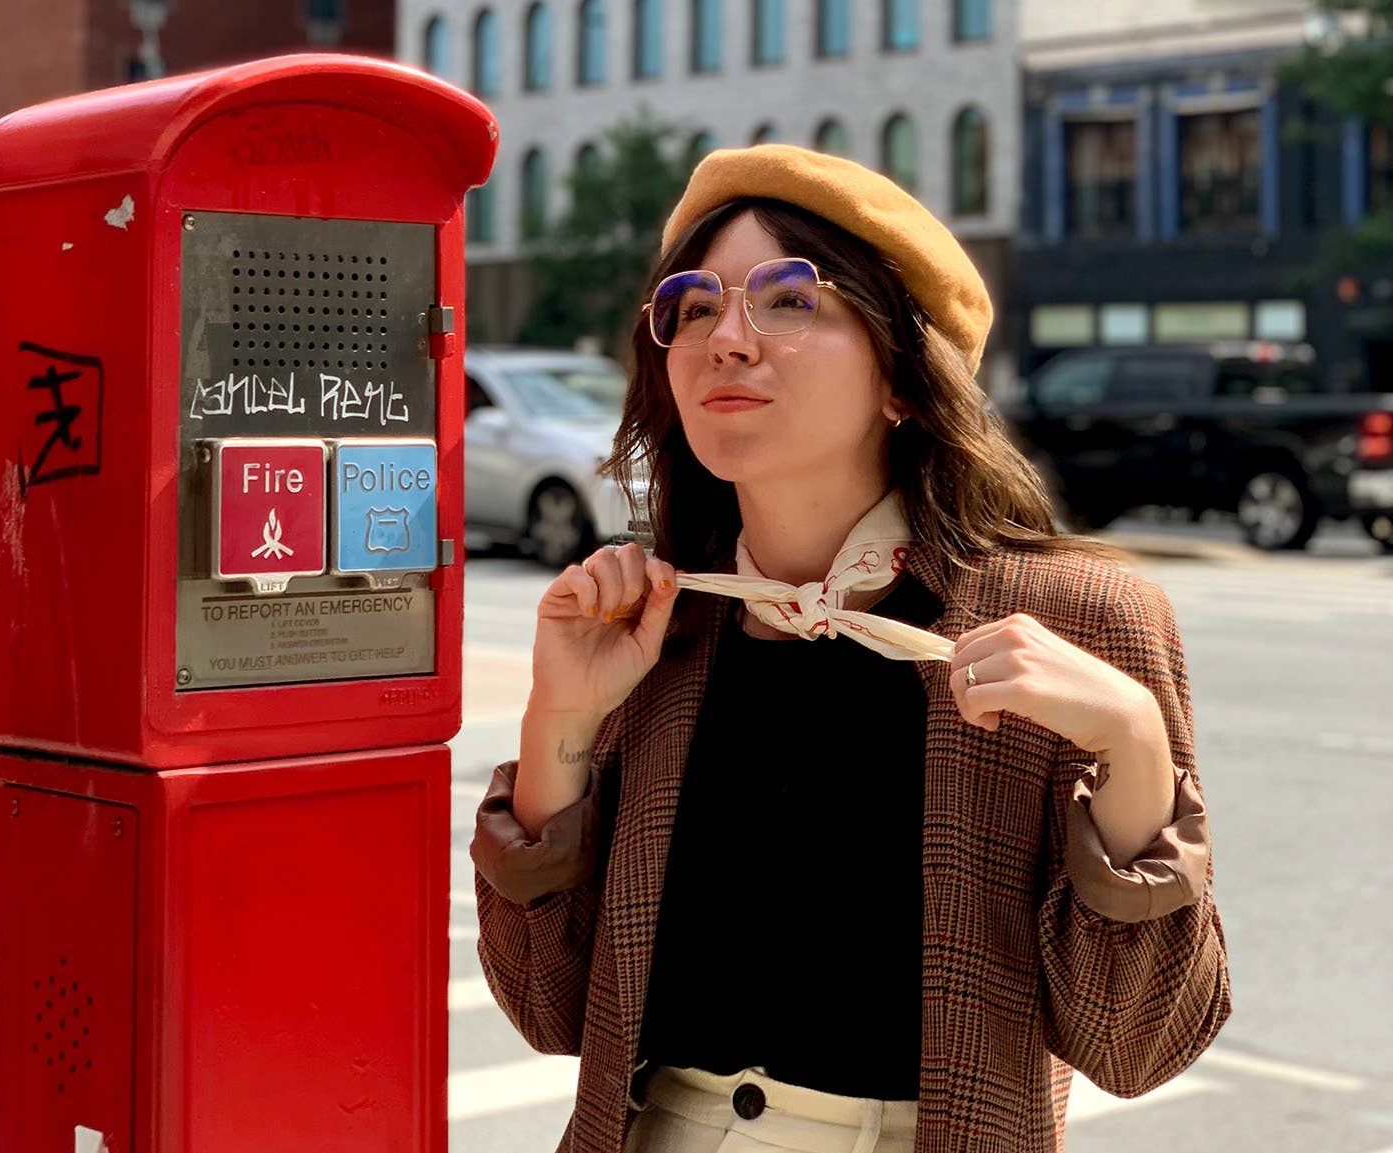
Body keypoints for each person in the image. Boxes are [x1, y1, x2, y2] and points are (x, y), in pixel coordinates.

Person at [471, 144, 1229, 1153]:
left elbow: (1139, 1045)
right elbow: (545, 1006)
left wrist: (1135, 747)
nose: (727, 339)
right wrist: (560, 715)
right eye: (694, 307)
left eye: (790, 299)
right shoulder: (652, 626)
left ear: (905, 381)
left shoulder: (1076, 619)